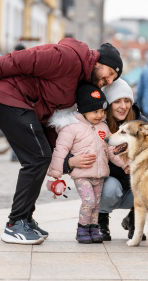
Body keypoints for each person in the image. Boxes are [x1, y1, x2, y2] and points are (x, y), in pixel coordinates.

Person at [0, 40, 123, 245]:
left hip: (22, 105)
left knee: (41, 155)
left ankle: (26, 219)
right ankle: (15, 224)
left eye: (113, 78)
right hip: (6, 96)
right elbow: (16, 60)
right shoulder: (67, 58)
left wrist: (64, 160)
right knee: (37, 158)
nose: (109, 80)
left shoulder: (78, 81)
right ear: (98, 61)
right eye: (110, 73)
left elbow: (50, 120)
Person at [65, 78, 147, 241]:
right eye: (117, 101)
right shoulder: (96, 125)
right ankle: (100, 221)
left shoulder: (141, 125)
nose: (123, 106)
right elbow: (64, 147)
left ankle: (134, 220)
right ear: (107, 104)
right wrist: (69, 161)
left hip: (133, 187)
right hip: (107, 185)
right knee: (109, 187)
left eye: (127, 101)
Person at [47, 84, 128, 244]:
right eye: (95, 111)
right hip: (82, 175)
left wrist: (124, 164)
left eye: (102, 111)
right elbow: (60, 149)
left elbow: (111, 151)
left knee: (96, 204)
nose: (100, 115)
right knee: (89, 201)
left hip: (99, 175)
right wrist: (56, 170)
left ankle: (93, 228)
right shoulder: (71, 128)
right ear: (84, 110)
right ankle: (82, 228)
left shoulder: (103, 127)